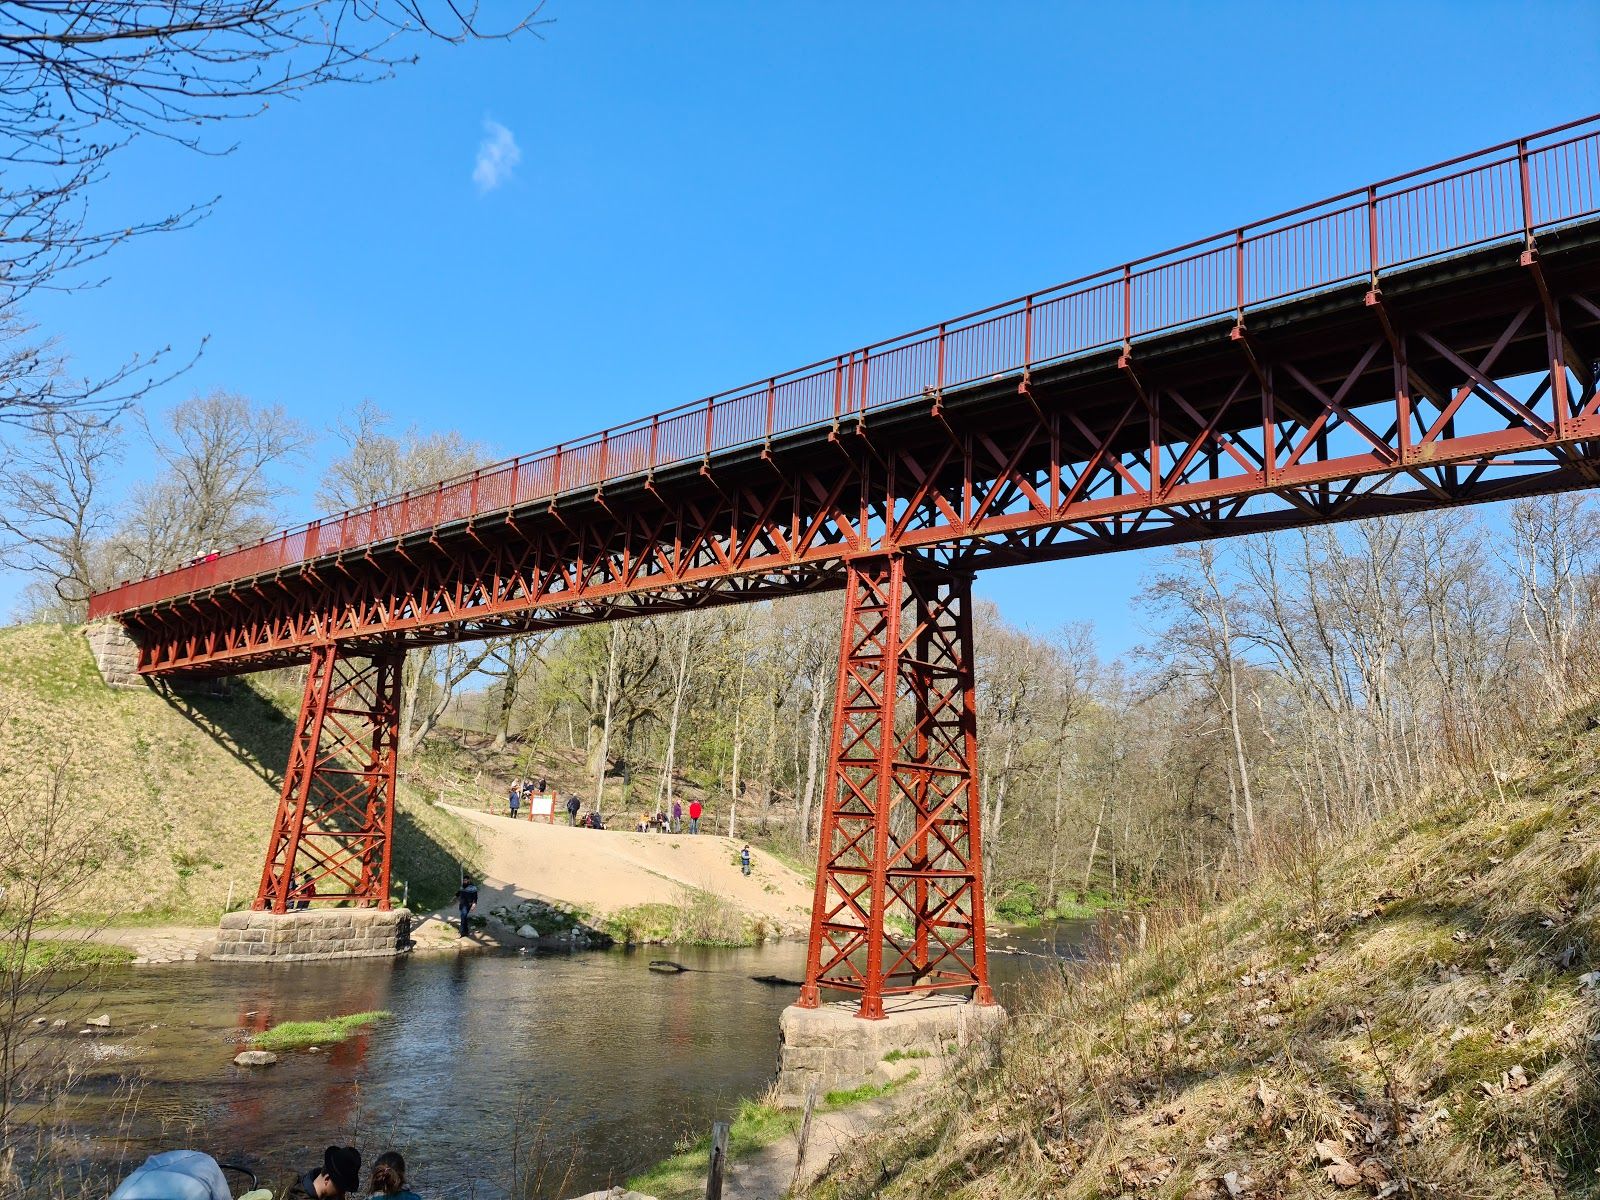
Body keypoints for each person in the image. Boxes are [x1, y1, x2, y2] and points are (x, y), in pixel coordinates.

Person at [284, 1146, 361, 1199]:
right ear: (327, 1179)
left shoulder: (309, 1180)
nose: (343, 1193)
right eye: (341, 1188)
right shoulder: (298, 1195)